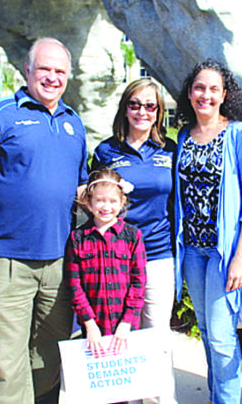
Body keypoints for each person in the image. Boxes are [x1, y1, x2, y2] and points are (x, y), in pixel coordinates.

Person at [0, 37, 89, 404]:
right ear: (27, 70)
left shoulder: (74, 123)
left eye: (60, 71)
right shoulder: (1, 115)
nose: (52, 77)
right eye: (44, 68)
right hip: (8, 261)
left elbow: (78, 188)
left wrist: (110, 196)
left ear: (69, 76)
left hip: (61, 262)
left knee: (49, 361)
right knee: (10, 366)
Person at [173, 59, 242, 404]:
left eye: (213, 89)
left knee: (223, 335)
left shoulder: (239, 134)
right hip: (193, 250)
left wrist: (241, 256)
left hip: (227, 252)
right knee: (209, 330)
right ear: (190, 93)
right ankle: (217, 396)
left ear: (225, 94)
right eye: (199, 87)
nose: (205, 95)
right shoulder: (183, 136)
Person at [91, 78, 177, 403]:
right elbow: (90, 197)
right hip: (115, 256)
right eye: (135, 104)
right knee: (117, 335)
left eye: (150, 105)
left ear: (158, 112)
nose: (142, 111)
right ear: (125, 108)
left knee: (156, 337)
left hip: (157, 254)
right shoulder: (106, 150)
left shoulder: (169, 149)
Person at [65, 168, 146, 358]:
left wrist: (127, 322)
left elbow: (138, 283)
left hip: (126, 327)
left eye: (112, 201)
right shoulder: (77, 238)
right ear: (88, 201)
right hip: (93, 327)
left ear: (122, 202)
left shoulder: (133, 236)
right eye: (99, 200)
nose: (106, 207)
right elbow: (74, 286)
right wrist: (89, 324)